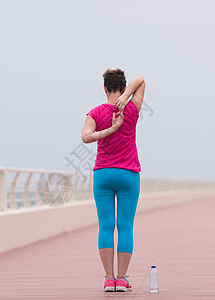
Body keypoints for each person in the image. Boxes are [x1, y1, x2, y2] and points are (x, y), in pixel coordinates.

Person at [81, 69, 145, 292]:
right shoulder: (132, 107)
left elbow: (86, 137)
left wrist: (108, 129)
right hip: (128, 173)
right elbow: (142, 79)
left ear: (105, 88)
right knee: (125, 226)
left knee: (106, 226)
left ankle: (109, 280)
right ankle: (121, 278)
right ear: (123, 87)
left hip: (103, 174)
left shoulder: (96, 112)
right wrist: (126, 98)